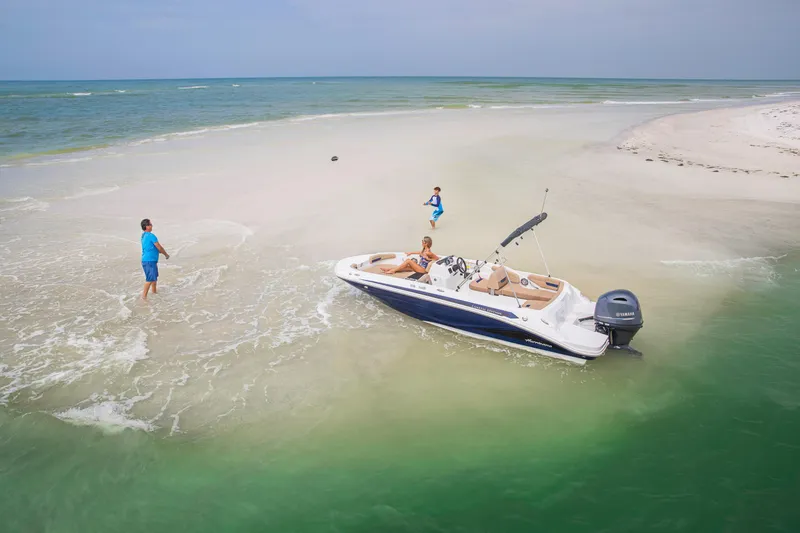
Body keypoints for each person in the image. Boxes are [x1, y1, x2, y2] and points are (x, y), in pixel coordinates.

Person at [140, 218, 169, 300]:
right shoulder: (151, 235)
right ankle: (143, 298)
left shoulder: (144, 236)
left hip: (150, 260)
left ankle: (154, 293)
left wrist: (156, 250)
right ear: (146, 226)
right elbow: (159, 247)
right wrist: (166, 254)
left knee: (154, 278)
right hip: (149, 261)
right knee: (149, 279)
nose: (152, 225)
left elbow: (150, 247)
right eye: (150, 224)